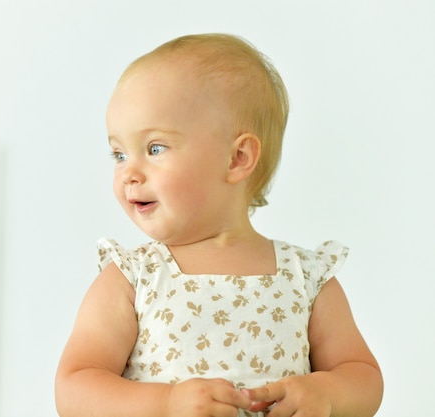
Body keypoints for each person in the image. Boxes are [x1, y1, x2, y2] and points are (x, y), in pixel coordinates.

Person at [55, 33, 383, 417]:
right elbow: (74, 390)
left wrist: (326, 393)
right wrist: (167, 403)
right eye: (119, 154)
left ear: (237, 158)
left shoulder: (305, 278)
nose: (130, 172)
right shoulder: (131, 278)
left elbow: (363, 377)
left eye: (155, 148)